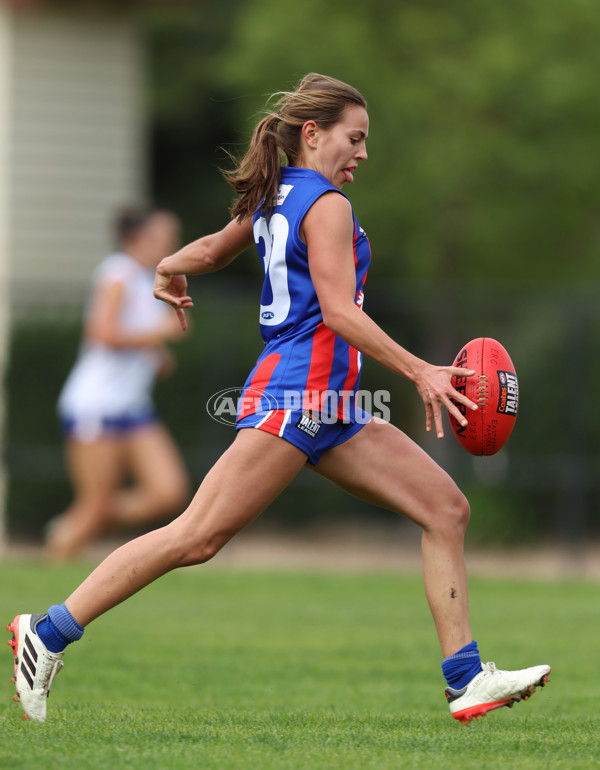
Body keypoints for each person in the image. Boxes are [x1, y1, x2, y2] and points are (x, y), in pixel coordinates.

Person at [7, 74, 550, 723]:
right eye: (356, 138)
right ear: (313, 133)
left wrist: (168, 265)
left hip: (334, 405)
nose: (364, 153)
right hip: (297, 393)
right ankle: (46, 631)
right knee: (196, 536)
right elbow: (339, 312)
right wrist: (419, 371)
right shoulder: (326, 205)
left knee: (445, 507)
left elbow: (212, 248)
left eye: (366, 140)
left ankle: (466, 677)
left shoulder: (276, 195)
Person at [43, 207, 191, 561]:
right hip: (96, 405)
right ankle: (60, 553)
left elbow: (136, 333)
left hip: (132, 406)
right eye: (164, 236)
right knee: (95, 503)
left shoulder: (147, 279)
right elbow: (101, 333)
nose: (172, 243)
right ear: (137, 238)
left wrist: (155, 354)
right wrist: (158, 334)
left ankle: (75, 524)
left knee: (169, 491)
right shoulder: (116, 273)